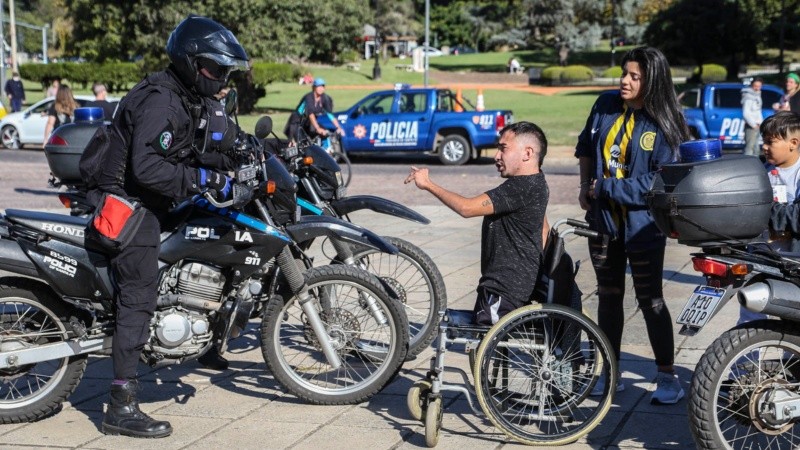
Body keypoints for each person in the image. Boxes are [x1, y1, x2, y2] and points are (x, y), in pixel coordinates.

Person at [86, 15, 249, 438]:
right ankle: (120, 406)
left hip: (156, 200)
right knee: (138, 296)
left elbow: (193, 147)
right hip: (130, 206)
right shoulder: (162, 100)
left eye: (225, 71)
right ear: (191, 63)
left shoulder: (186, 96)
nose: (221, 78)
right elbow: (148, 168)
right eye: (214, 69)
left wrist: (239, 156)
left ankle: (207, 338)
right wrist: (203, 179)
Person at [576, 46, 690, 405]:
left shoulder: (666, 122)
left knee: (650, 299)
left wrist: (604, 188)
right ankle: (610, 373)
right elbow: (584, 148)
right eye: (624, 73)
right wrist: (585, 185)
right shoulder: (605, 105)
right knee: (608, 296)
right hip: (603, 223)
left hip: (643, 227)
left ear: (651, 81)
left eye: (634, 76)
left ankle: (667, 376)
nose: (624, 81)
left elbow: (657, 183)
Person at [405, 121, 549, 325]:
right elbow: (543, 229)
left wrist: (428, 184)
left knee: (484, 339)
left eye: (503, 148)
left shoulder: (520, 187)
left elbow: (467, 208)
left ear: (527, 153)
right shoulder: (538, 182)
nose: (497, 156)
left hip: (504, 288)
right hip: (515, 285)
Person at [285, 78, 345, 144]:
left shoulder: (324, 98)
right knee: (301, 143)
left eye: (322, 86)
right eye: (318, 86)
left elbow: (330, 114)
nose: (321, 88)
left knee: (325, 133)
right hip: (297, 122)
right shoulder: (309, 97)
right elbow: (310, 114)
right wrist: (317, 128)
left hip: (308, 122)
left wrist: (338, 127)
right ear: (314, 87)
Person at [741, 77, 764, 157]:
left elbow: (758, 110)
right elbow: (746, 113)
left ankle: (755, 163)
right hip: (751, 126)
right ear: (751, 85)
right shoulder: (748, 96)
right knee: (749, 148)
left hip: (757, 125)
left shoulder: (757, 95)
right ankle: (747, 164)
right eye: (755, 86)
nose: (757, 88)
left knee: (756, 148)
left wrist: (760, 123)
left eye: (759, 86)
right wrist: (753, 125)